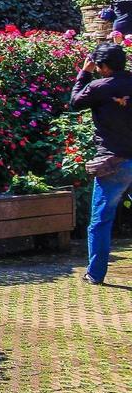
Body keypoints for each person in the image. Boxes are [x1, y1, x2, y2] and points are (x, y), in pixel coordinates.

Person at [70, 41, 132, 285]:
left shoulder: (98, 86)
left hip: (113, 163)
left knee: (101, 221)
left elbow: (75, 102)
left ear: (103, 66)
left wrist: (84, 73)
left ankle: (95, 274)